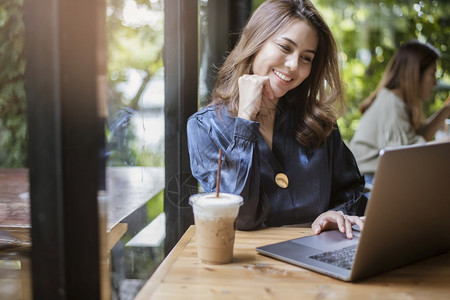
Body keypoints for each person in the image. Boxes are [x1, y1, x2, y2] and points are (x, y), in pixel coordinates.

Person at [187, 0, 367, 239]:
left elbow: (351, 192)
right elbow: (241, 217)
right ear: (256, 43)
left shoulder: (319, 124)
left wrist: (336, 213)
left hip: (318, 263)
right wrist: (246, 120)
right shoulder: (205, 127)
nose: (293, 65)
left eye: (306, 58)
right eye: (285, 47)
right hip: (246, 267)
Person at [350, 39, 450, 190]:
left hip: (377, 181)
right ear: (415, 74)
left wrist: (446, 109)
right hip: (368, 186)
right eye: (432, 74)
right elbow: (410, 155)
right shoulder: (391, 103)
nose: (435, 83)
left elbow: (419, 139)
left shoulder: (395, 101)